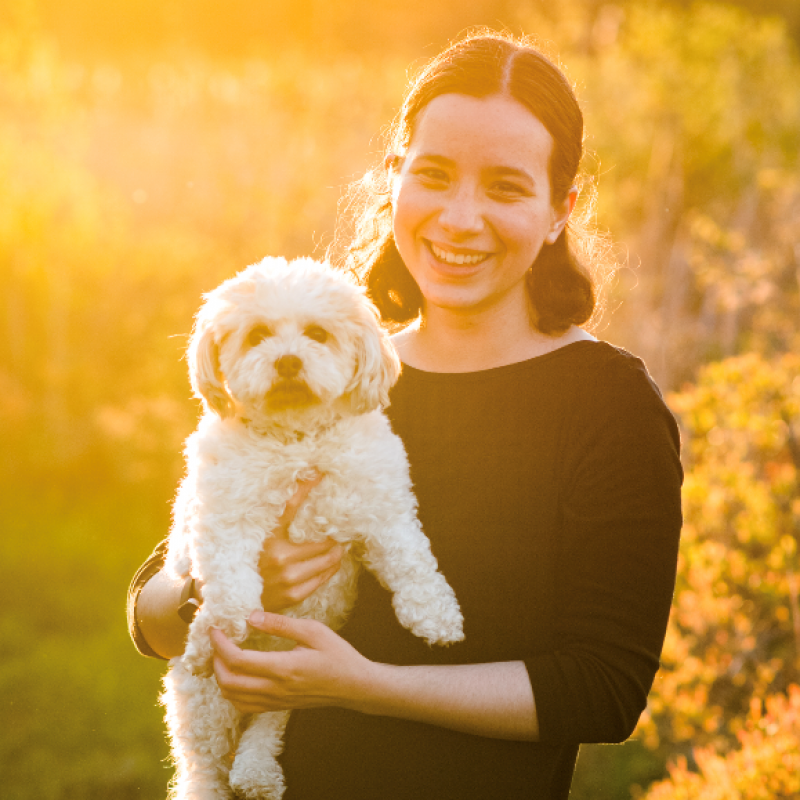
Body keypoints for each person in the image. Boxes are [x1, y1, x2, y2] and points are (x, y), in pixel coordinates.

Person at [128, 31, 683, 799]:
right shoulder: (333, 374)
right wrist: (220, 591)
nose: (460, 217)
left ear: (562, 209)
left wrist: (362, 684)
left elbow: (603, 690)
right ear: (395, 180)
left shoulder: (610, 407)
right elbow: (150, 615)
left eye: (505, 187)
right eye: (435, 175)